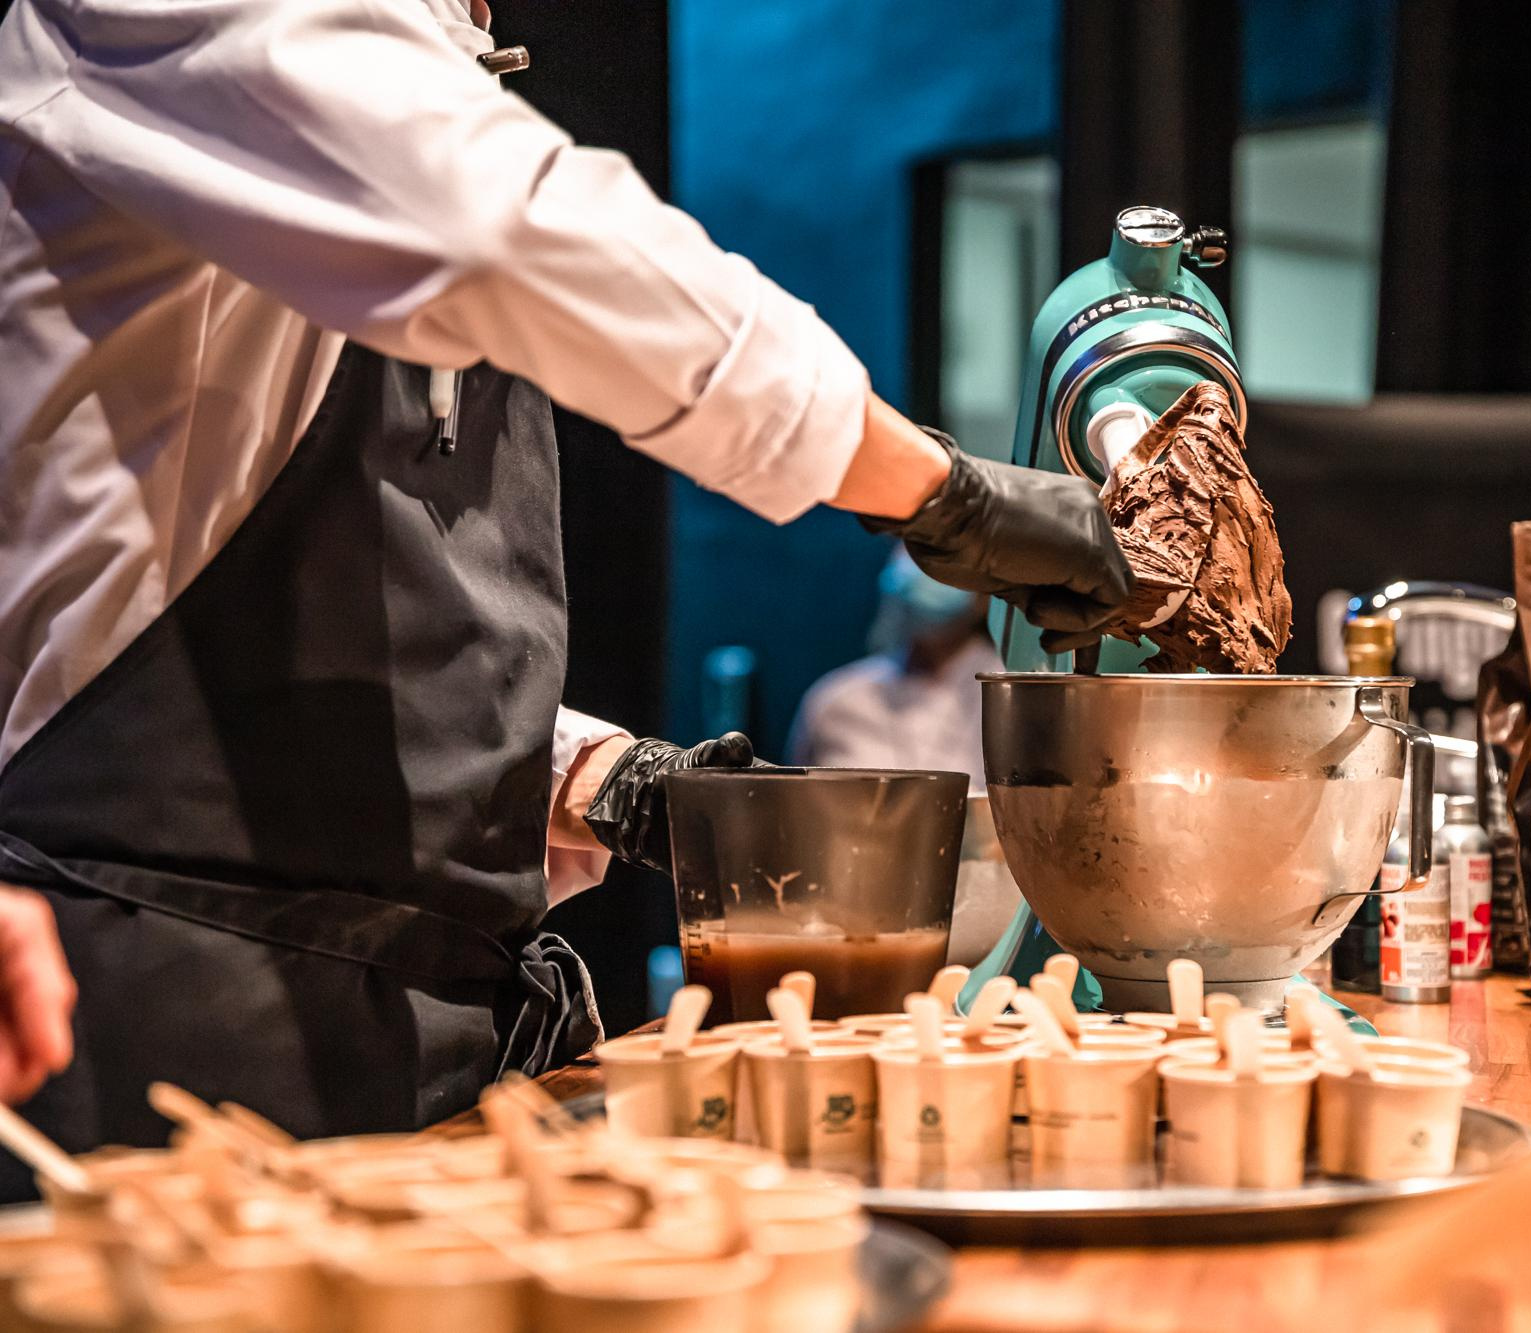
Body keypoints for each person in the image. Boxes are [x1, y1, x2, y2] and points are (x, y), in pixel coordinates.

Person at [0, 0, 1131, 1186]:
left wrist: (598, 778)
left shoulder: (422, 62)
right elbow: (501, 230)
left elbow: (270, 641)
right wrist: (941, 494)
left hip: (425, 1053)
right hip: (165, 1033)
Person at [788, 547, 1002, 781]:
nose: (929, 575)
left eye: (945, 560)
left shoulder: (1007, 698)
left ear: (986, 596)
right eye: (920, 555)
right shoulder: (838, 699)